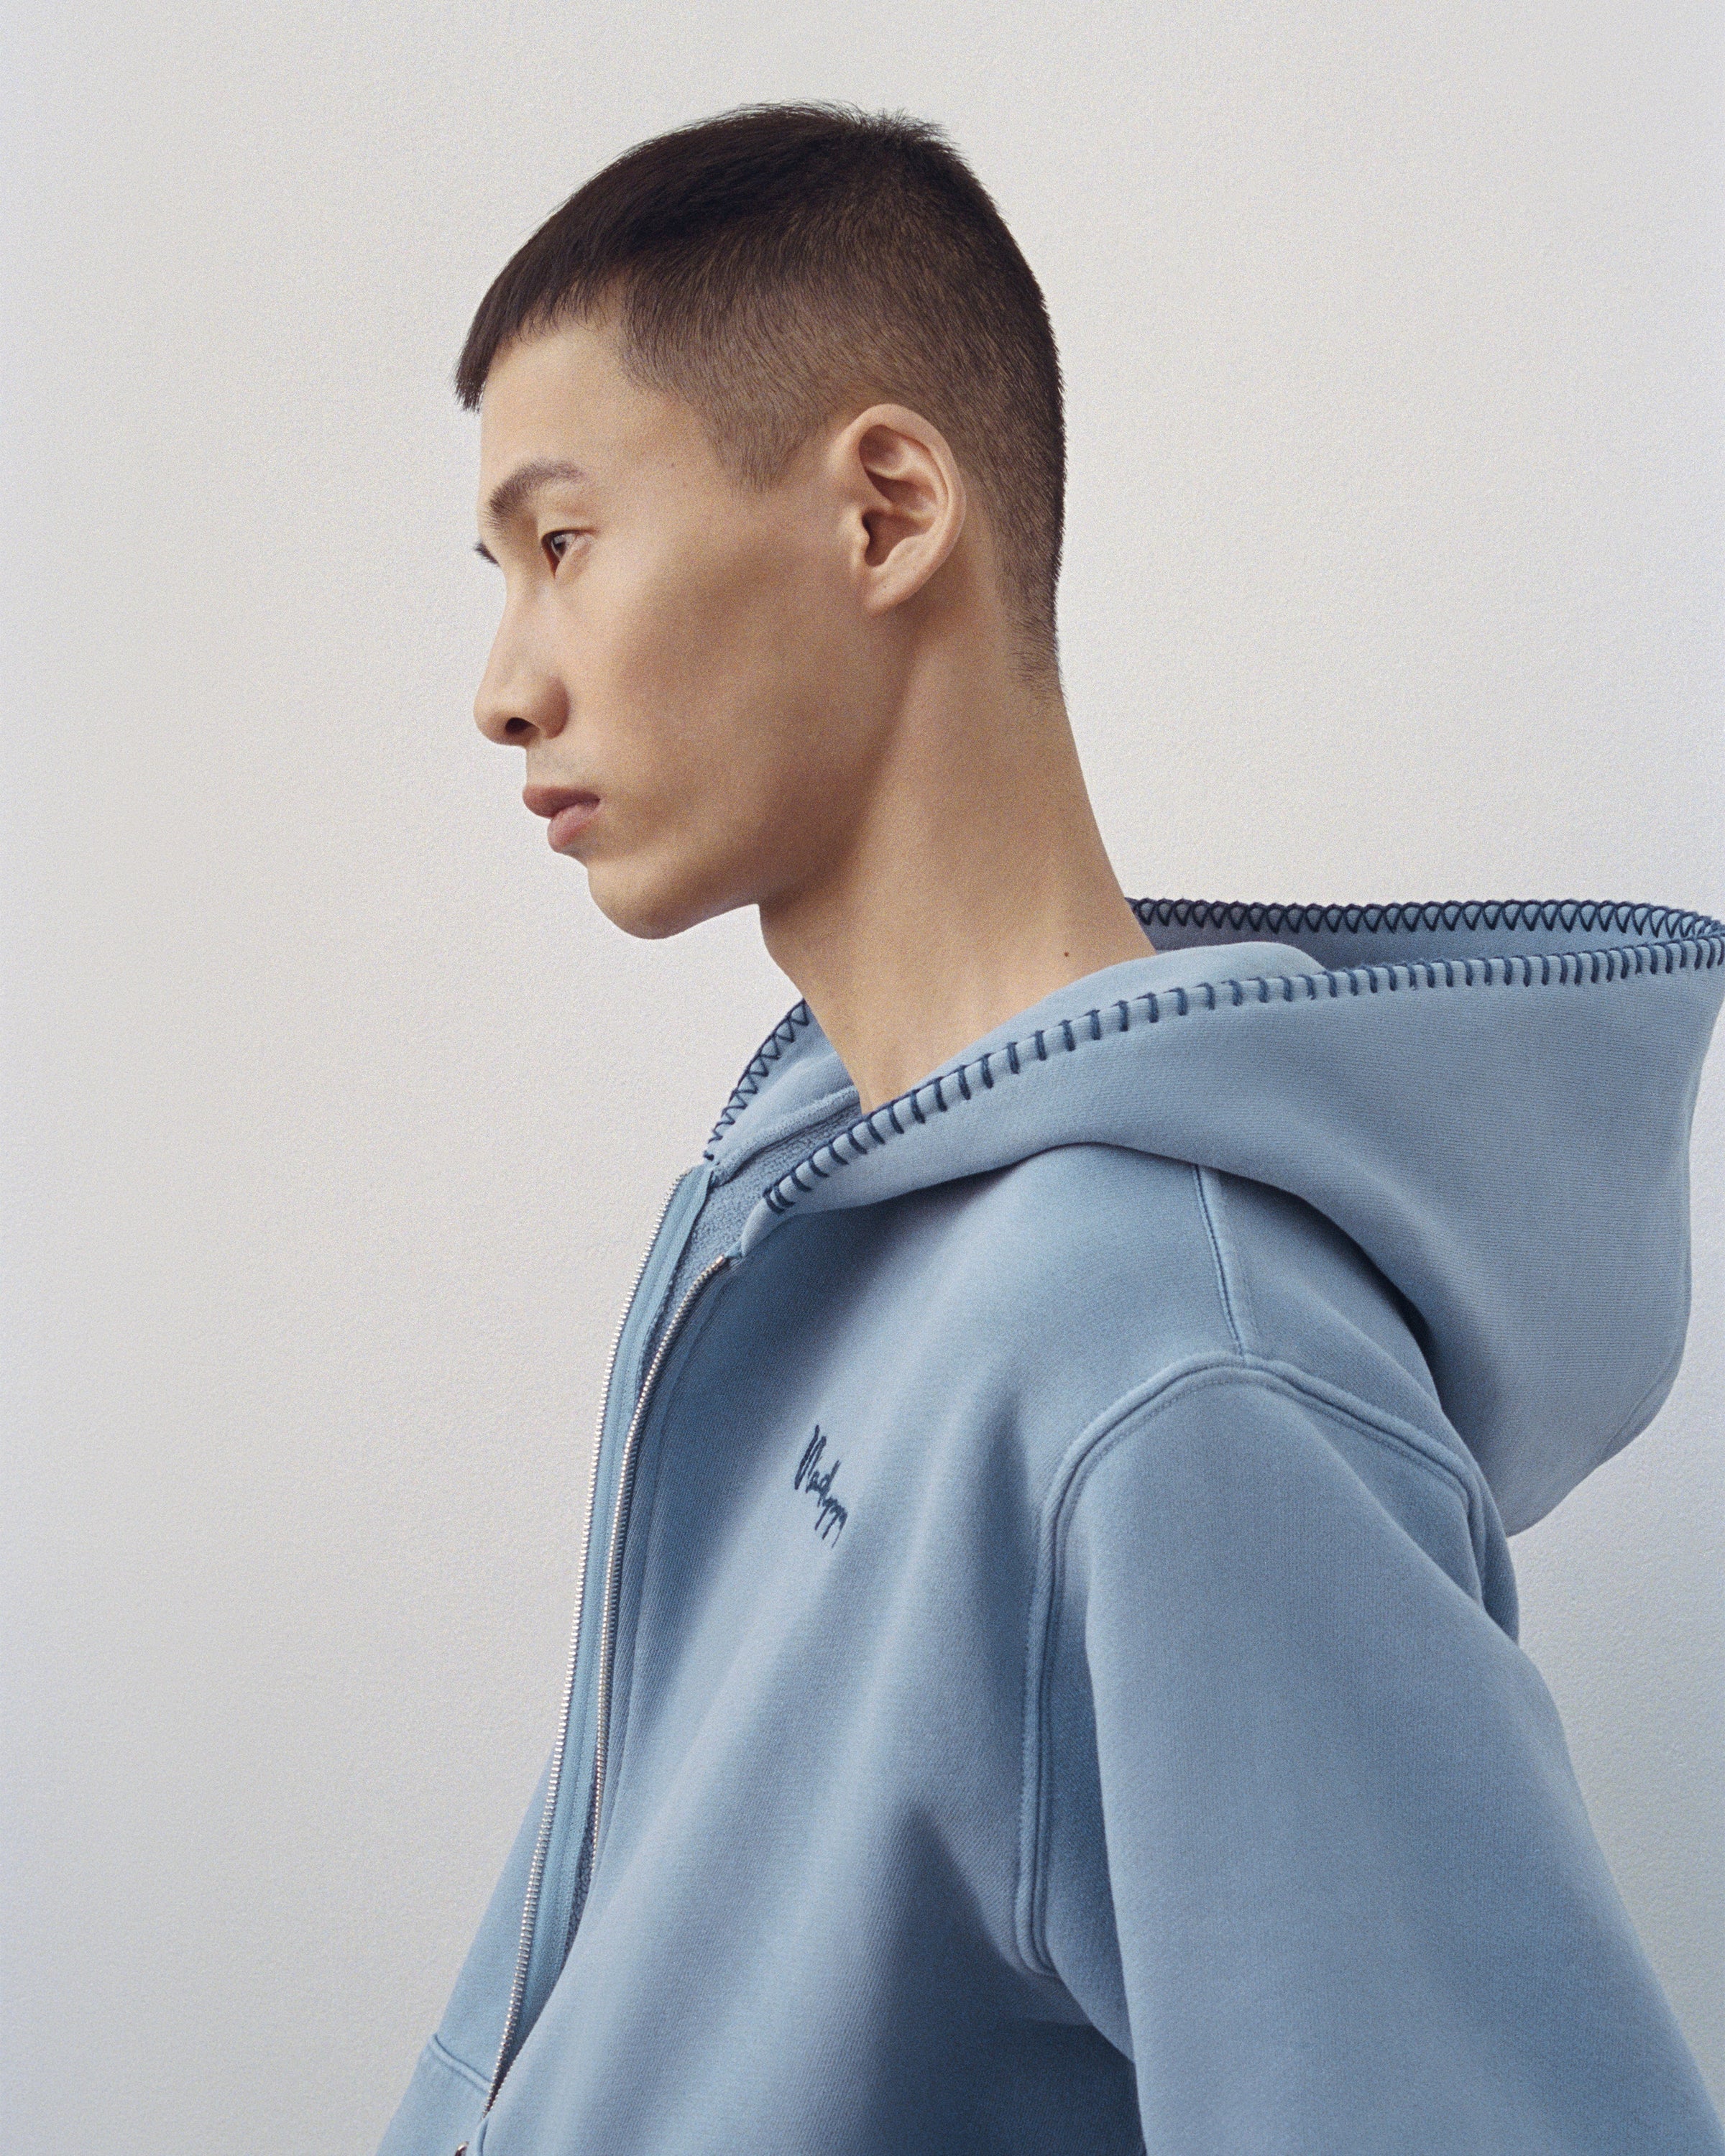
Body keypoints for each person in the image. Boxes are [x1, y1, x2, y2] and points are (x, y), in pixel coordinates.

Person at [377, 101, 1725, 2156]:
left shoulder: (1174, 1368)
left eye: (561, 545)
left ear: (885, 512)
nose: (502, 686)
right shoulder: (823, 1227)